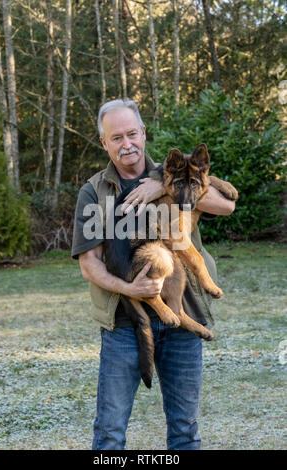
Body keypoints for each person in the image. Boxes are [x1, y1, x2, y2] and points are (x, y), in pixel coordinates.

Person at [71, 98, 235, 450]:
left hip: (185, 312)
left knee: (185, 431)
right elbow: (90, 264)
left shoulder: (176, 171)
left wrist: (162, 186)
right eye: (116, 137)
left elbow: (227, 205)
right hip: (124, 324)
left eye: (132, 133)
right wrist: (132, 288)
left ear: (143, 133)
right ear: (104, 143)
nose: (126, 143)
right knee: (110, 433)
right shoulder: (95, 191)